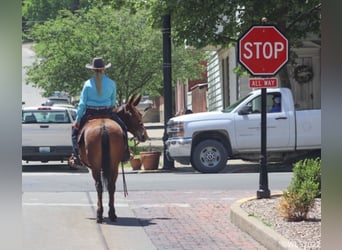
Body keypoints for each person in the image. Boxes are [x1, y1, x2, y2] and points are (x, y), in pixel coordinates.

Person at [70, 57, 130, 166]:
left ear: (93, 70)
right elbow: (112, 103)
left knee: (74, 132)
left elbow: (82, 104)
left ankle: (76, 156)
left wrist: (78, 120)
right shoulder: (112, 83)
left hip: (90, 113)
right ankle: (126, 153)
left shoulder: (87, 84)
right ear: (104, 69)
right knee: (123, 129)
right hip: (107, 112)